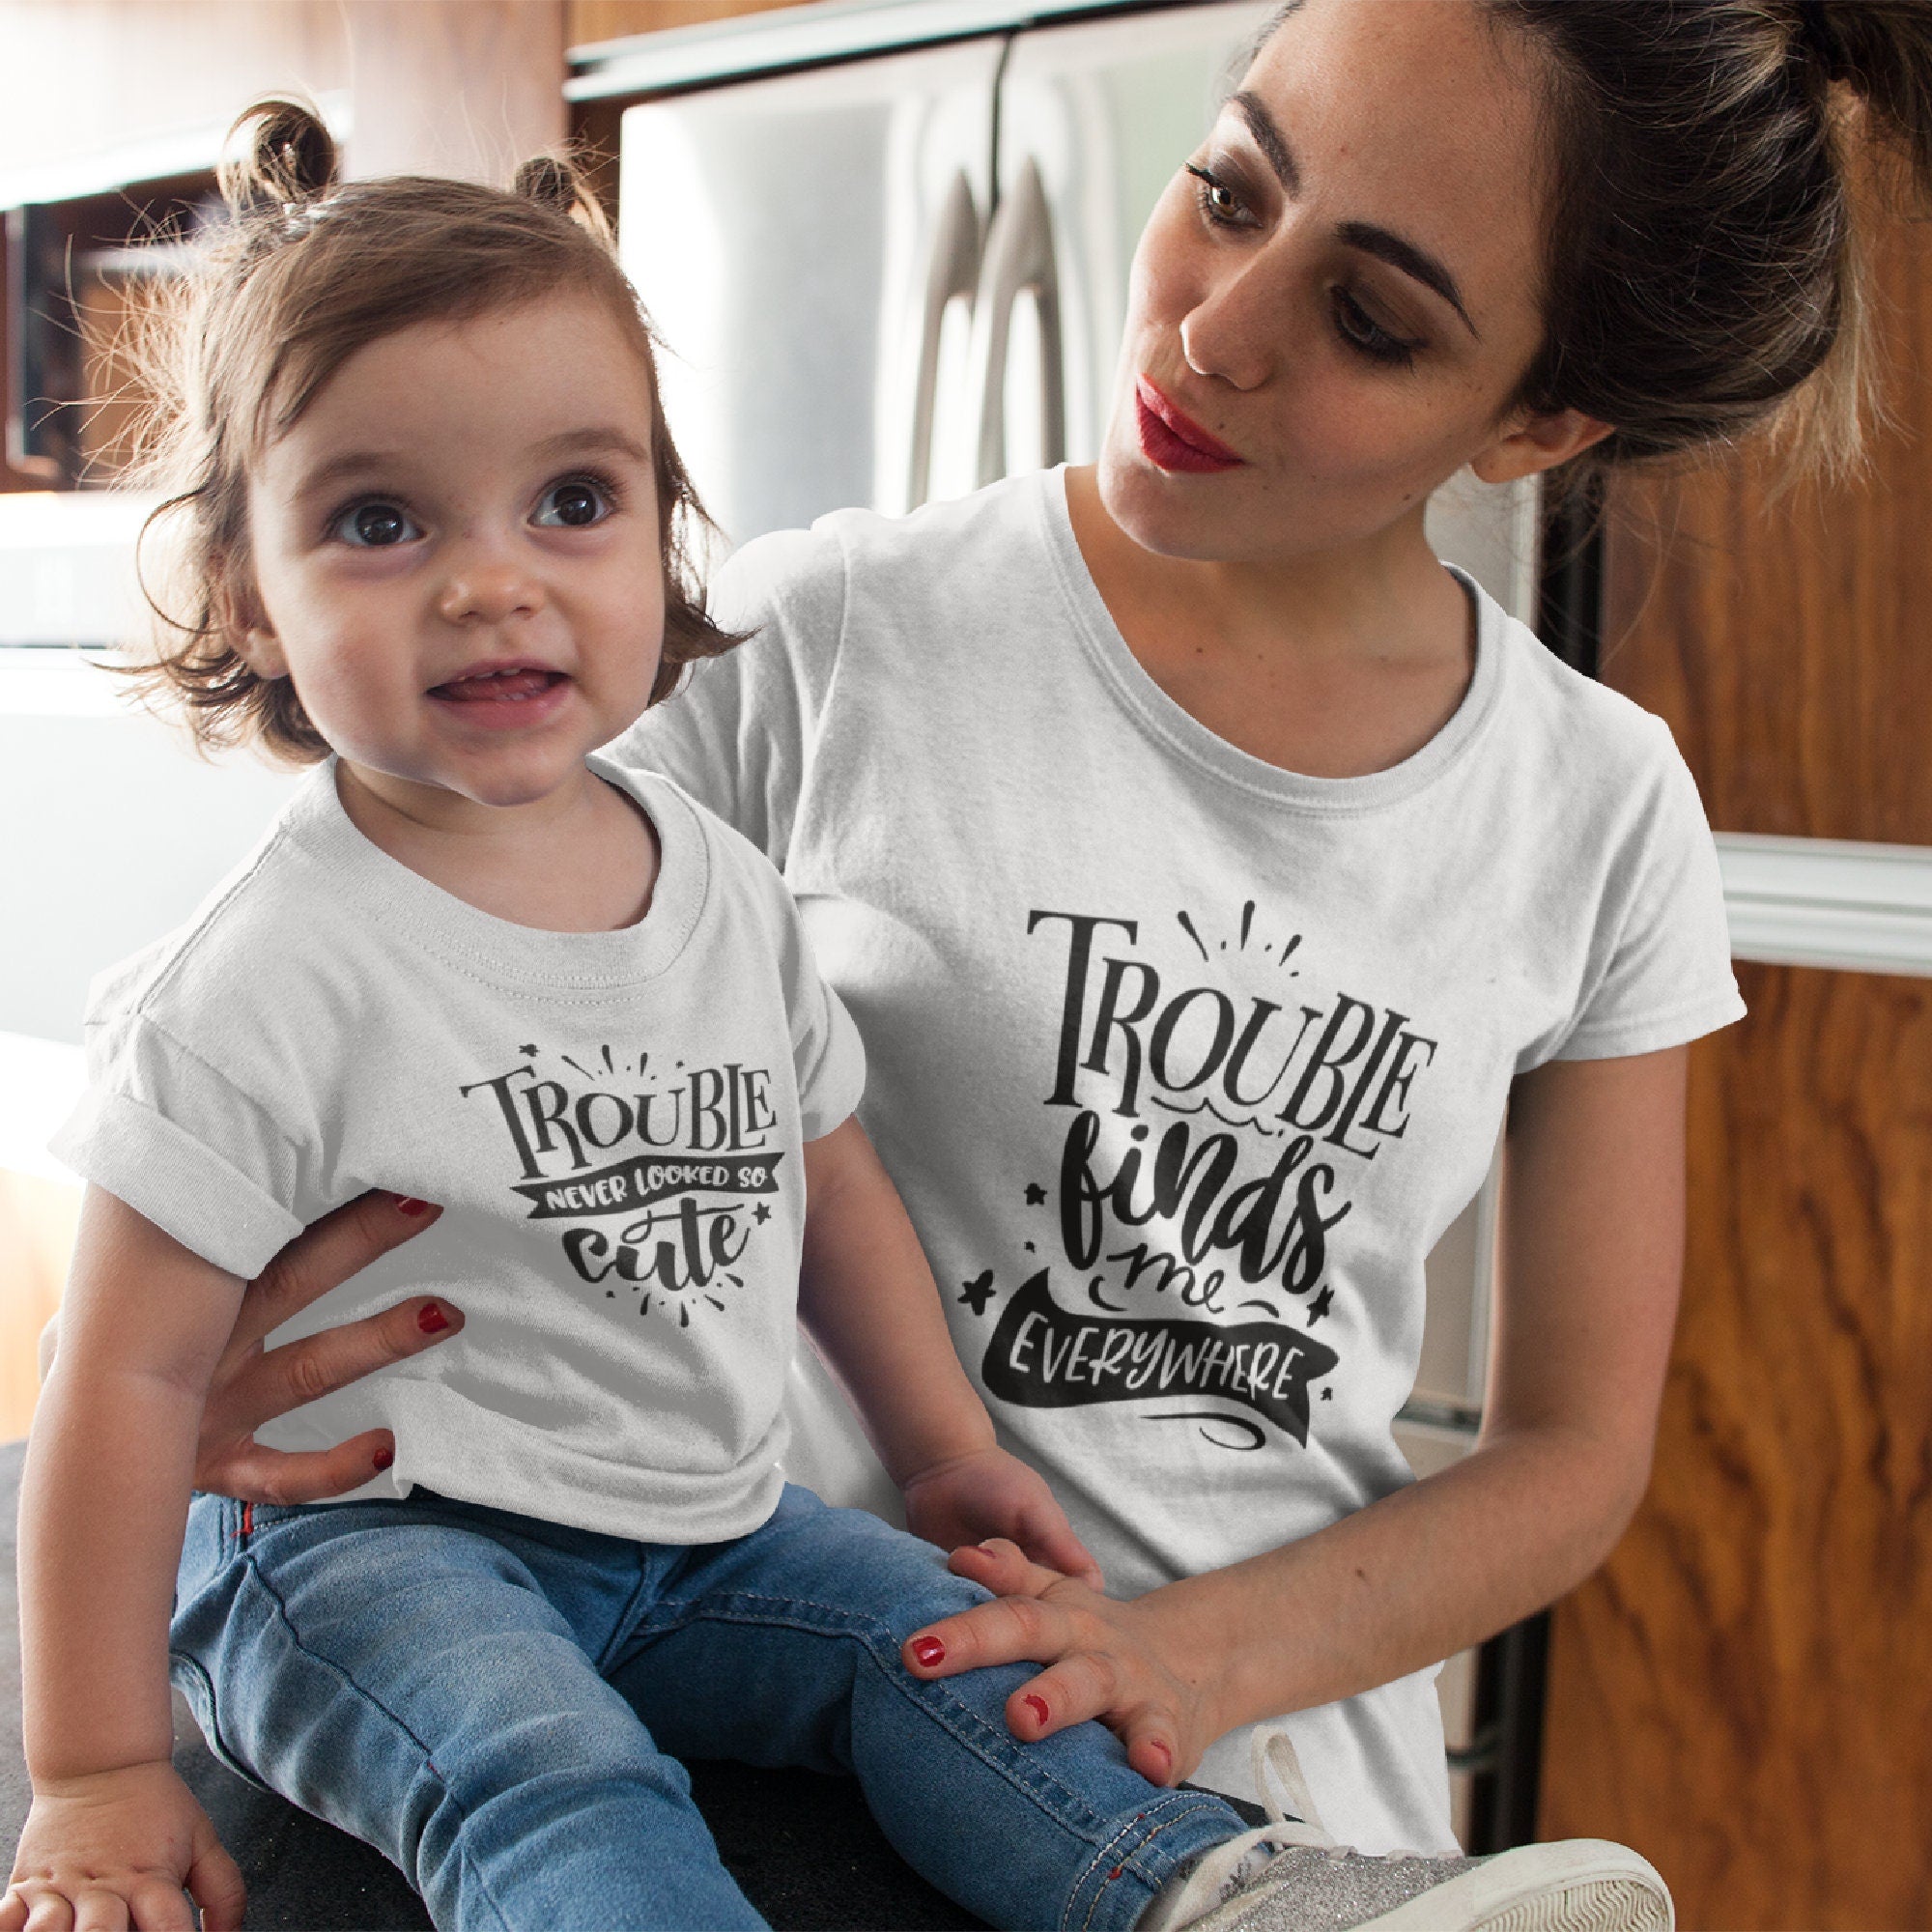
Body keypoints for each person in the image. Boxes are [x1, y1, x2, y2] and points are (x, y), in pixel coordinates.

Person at [6, 92, 1677, 1932]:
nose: (496, 582)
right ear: (247, 584)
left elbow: (834, 1177)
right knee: (549, 1779)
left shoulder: (705, 875)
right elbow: (119, 1375)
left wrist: (951, 1451)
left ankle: (1223, 1896)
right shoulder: (271, 966)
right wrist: (95, 1764)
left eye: (573, 501)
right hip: (392, 1555)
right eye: (382, 519)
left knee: (932, 1646)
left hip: (720, 1537)